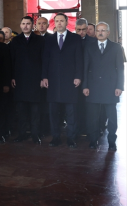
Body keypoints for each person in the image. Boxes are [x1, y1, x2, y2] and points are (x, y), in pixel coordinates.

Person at [42, 13, 83, 148]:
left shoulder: (75, 38)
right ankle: (56, 137)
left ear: (66, 23)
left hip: (70, 81)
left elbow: (79, 60)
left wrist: (78, 76)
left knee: (71, 112)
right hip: (53, 81)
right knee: (53, 112)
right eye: (57, 21)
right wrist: (44, 77)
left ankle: (71, 138)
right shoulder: (49, 39)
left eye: (62, 21)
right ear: (54, 23)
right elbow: (45, 60)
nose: (59, 23)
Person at [82, 22, 124, 150]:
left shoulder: (116, 47)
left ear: (108, 32)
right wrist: (85, 86)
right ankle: (93, 140)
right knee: (93, 116)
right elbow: (85, 68)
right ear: (96, 32)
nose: (100, 32)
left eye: (103, 30)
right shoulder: (89, 47)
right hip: (93, 86)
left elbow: (120, 69)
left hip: (110, 87)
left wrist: (119, 87)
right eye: (98, 30)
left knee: (111, 117)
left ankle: (112, 141)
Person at [9, 16, 44, 144]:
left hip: (35, 80)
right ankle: (22, 134)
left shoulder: (40, 40)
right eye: (23, 23)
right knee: (21, 111)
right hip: (20, 80)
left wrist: (43, 77)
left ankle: (35, 134)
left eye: (28, 23)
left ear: (32, 25)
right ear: (20, 25)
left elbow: (44, 60)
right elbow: (11, 60)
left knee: (35, 111)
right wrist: (12, 76)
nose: (25, 26)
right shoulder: (15, 41)